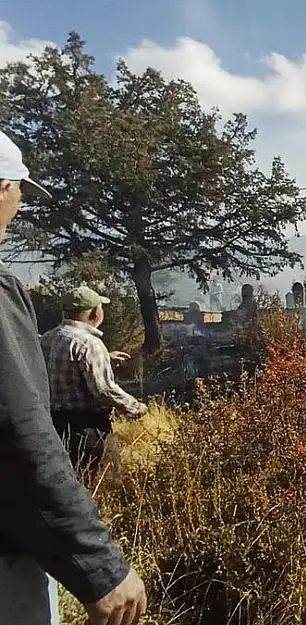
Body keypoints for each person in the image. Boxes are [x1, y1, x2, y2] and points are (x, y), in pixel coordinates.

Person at [0, 129, 146, 624]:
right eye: (18, 191)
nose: (19, 205)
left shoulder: (50, 338)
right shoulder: (85, 341)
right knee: (106, 484)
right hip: (83, 434)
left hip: (62, 428)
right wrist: (95, 562)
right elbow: (20, 428)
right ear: (3, 188)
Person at [41, 285, 147, 476]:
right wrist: (135, 407)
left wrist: (105, 357)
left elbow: (64, 364)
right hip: (89, 431)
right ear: (95, 313)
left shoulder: (47, 339)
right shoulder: (90, 344)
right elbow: (104, 390)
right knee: (103, 484)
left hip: (54, 427)